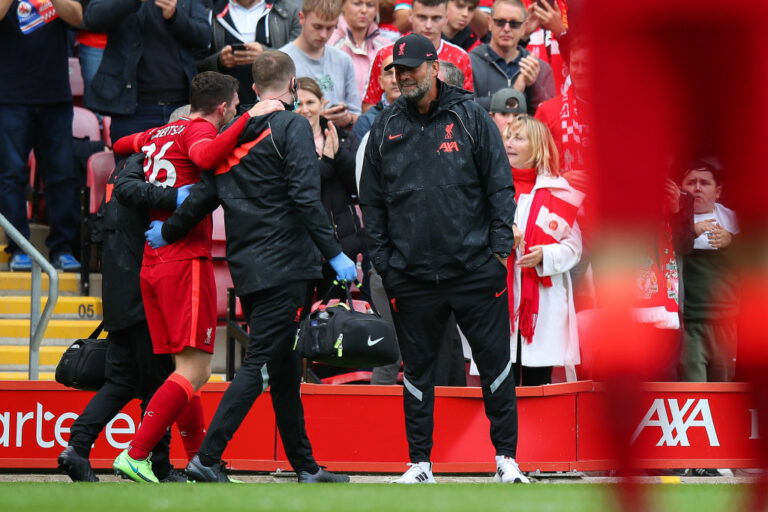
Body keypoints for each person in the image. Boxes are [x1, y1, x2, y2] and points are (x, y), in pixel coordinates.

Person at [146, 51, 355, 484]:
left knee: (282, 371)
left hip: (249, 268)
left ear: (255, 90)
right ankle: (208, 457)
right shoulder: (292, 126)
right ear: (294, 85)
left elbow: (204, 194)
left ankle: (306, 466)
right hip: (287, 267)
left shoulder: (231, 136)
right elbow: (304, 194)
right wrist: (334, 252)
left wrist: (168, 233)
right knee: (262, 363)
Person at [359, 34, 526, 484]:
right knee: (416, 371)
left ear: (434, 67)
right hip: (411, 275)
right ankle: (420, 463)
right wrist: (387, 264)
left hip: (474, 269)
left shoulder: (471, 115)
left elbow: (500, 187)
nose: (404, 76)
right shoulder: (384, 128)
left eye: (412, 67)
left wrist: (496, 253)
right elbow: (371, 205)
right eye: (397, 70)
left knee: (494, 364)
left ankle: (506, 459)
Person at [109, 72, 283, 483]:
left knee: (184, 369)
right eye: (236, 105)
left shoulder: (164, 131)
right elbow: (206, 158)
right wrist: (250, 120)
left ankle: (200, 462)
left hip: (154, 262)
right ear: (223, 107)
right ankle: (134, 454)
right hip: (184, 259)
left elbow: (119, 145)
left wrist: (152, 146)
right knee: (197, 371)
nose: (238, 109)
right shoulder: (201, 130)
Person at [58, 154, 182, 483]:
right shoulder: (151, 168)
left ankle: (77, 447)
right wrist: (185, 197)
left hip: (118, 292)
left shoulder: (123, 169)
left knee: (121, 381)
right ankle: (157, 465)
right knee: (159, 385)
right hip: (143, 294)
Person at [0, 0, 84, 271]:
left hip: (55, 97)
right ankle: (18, 247)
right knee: (11, 174)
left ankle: (62, 248)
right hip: (10, 96)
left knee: (62, 175)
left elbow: (77, 17)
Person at [504, 115, 582, 385]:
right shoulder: (490, 189)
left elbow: (574, 247)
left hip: (543, 301)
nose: (509, 143)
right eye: (507, 137)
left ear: (537, 148)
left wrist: (545, 256)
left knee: (538, 380)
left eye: (518, 138)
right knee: (502, 380)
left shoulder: (560, 192)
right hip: (500, 298)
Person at [84, 0, 210, 143]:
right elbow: (92, 18)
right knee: (129, 165)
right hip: (132, 110)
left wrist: (175, 17)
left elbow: (204, 37)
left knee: (184, 164)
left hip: (181, 106)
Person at [296, 76, 365, 296]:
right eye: (298, 103)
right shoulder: (287, 142)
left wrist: (338, 154)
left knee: (336, 317)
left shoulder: (344, 138)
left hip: (342, 242)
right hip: (302, 247)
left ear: (322, 103)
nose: (304, 109)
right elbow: (301, 185)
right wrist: (325, 163)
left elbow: (357, 185)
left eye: (310, 102)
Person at [679, 161, 739, 382]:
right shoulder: (673, 221)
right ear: (680, 189)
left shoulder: (734, 221)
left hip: (726, 321)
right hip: (689, 322)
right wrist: (691, 232)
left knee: (722, 393)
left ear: (718, 190)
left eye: (704, 183)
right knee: (694, 392)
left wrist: (731, 241)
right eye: (691, 182)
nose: (697, 188)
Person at [361, 0, 475, 112]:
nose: (428, 25)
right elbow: (370, 106)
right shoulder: (386, 54)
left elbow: (468, 106)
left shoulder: (460, 57)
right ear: (410, 16)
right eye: (422, 17)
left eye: (436, 18)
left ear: (446, 18)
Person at [196, 0, 301, 107]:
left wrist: (267, 55)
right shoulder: (207, 13)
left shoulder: (289, 11)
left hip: (279, 107)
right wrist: (219, 61)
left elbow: (303, 59)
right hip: (226, 110)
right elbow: (193, 66)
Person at [280, 0, 362, 128]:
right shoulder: (281, 61)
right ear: (302, 18)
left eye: (330, 28)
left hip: (338, 139)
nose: (323, 35)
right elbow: (270, 115)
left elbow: (356, 113)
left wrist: (347, 118)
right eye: (317, 27)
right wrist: (314, 116)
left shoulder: (343, 60)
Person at [470, 0, 554, 114]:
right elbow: (464, 110)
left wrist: (534, 85)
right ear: (490, 23)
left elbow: (548, 118)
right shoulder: (469, 63)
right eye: (500, 22)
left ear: (524, 27)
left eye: (514, 24)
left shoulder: (538, 68)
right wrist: (514, 93)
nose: (506, 28)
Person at [328, 0, 392, 97]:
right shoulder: (328, 43)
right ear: (342, 5)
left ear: (377, 9)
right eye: (357, 3)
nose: (364, 10)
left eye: (370, 5)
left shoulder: (387, 47)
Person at [352, 53, 401, 140]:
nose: (394, 80)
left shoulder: (421, 113)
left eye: (400, 72)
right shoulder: (366, 122)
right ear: (381, 82)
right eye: (389, 74)